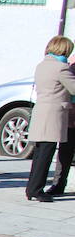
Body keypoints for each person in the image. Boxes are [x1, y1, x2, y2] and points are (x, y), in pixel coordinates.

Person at [25, 36, 75, 202]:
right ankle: (37, 190)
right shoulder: (61, 68)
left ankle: (32, 189)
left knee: (39, 154)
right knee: (45, 155)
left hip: (42, 112)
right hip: (53, 115)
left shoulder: (43, 65)